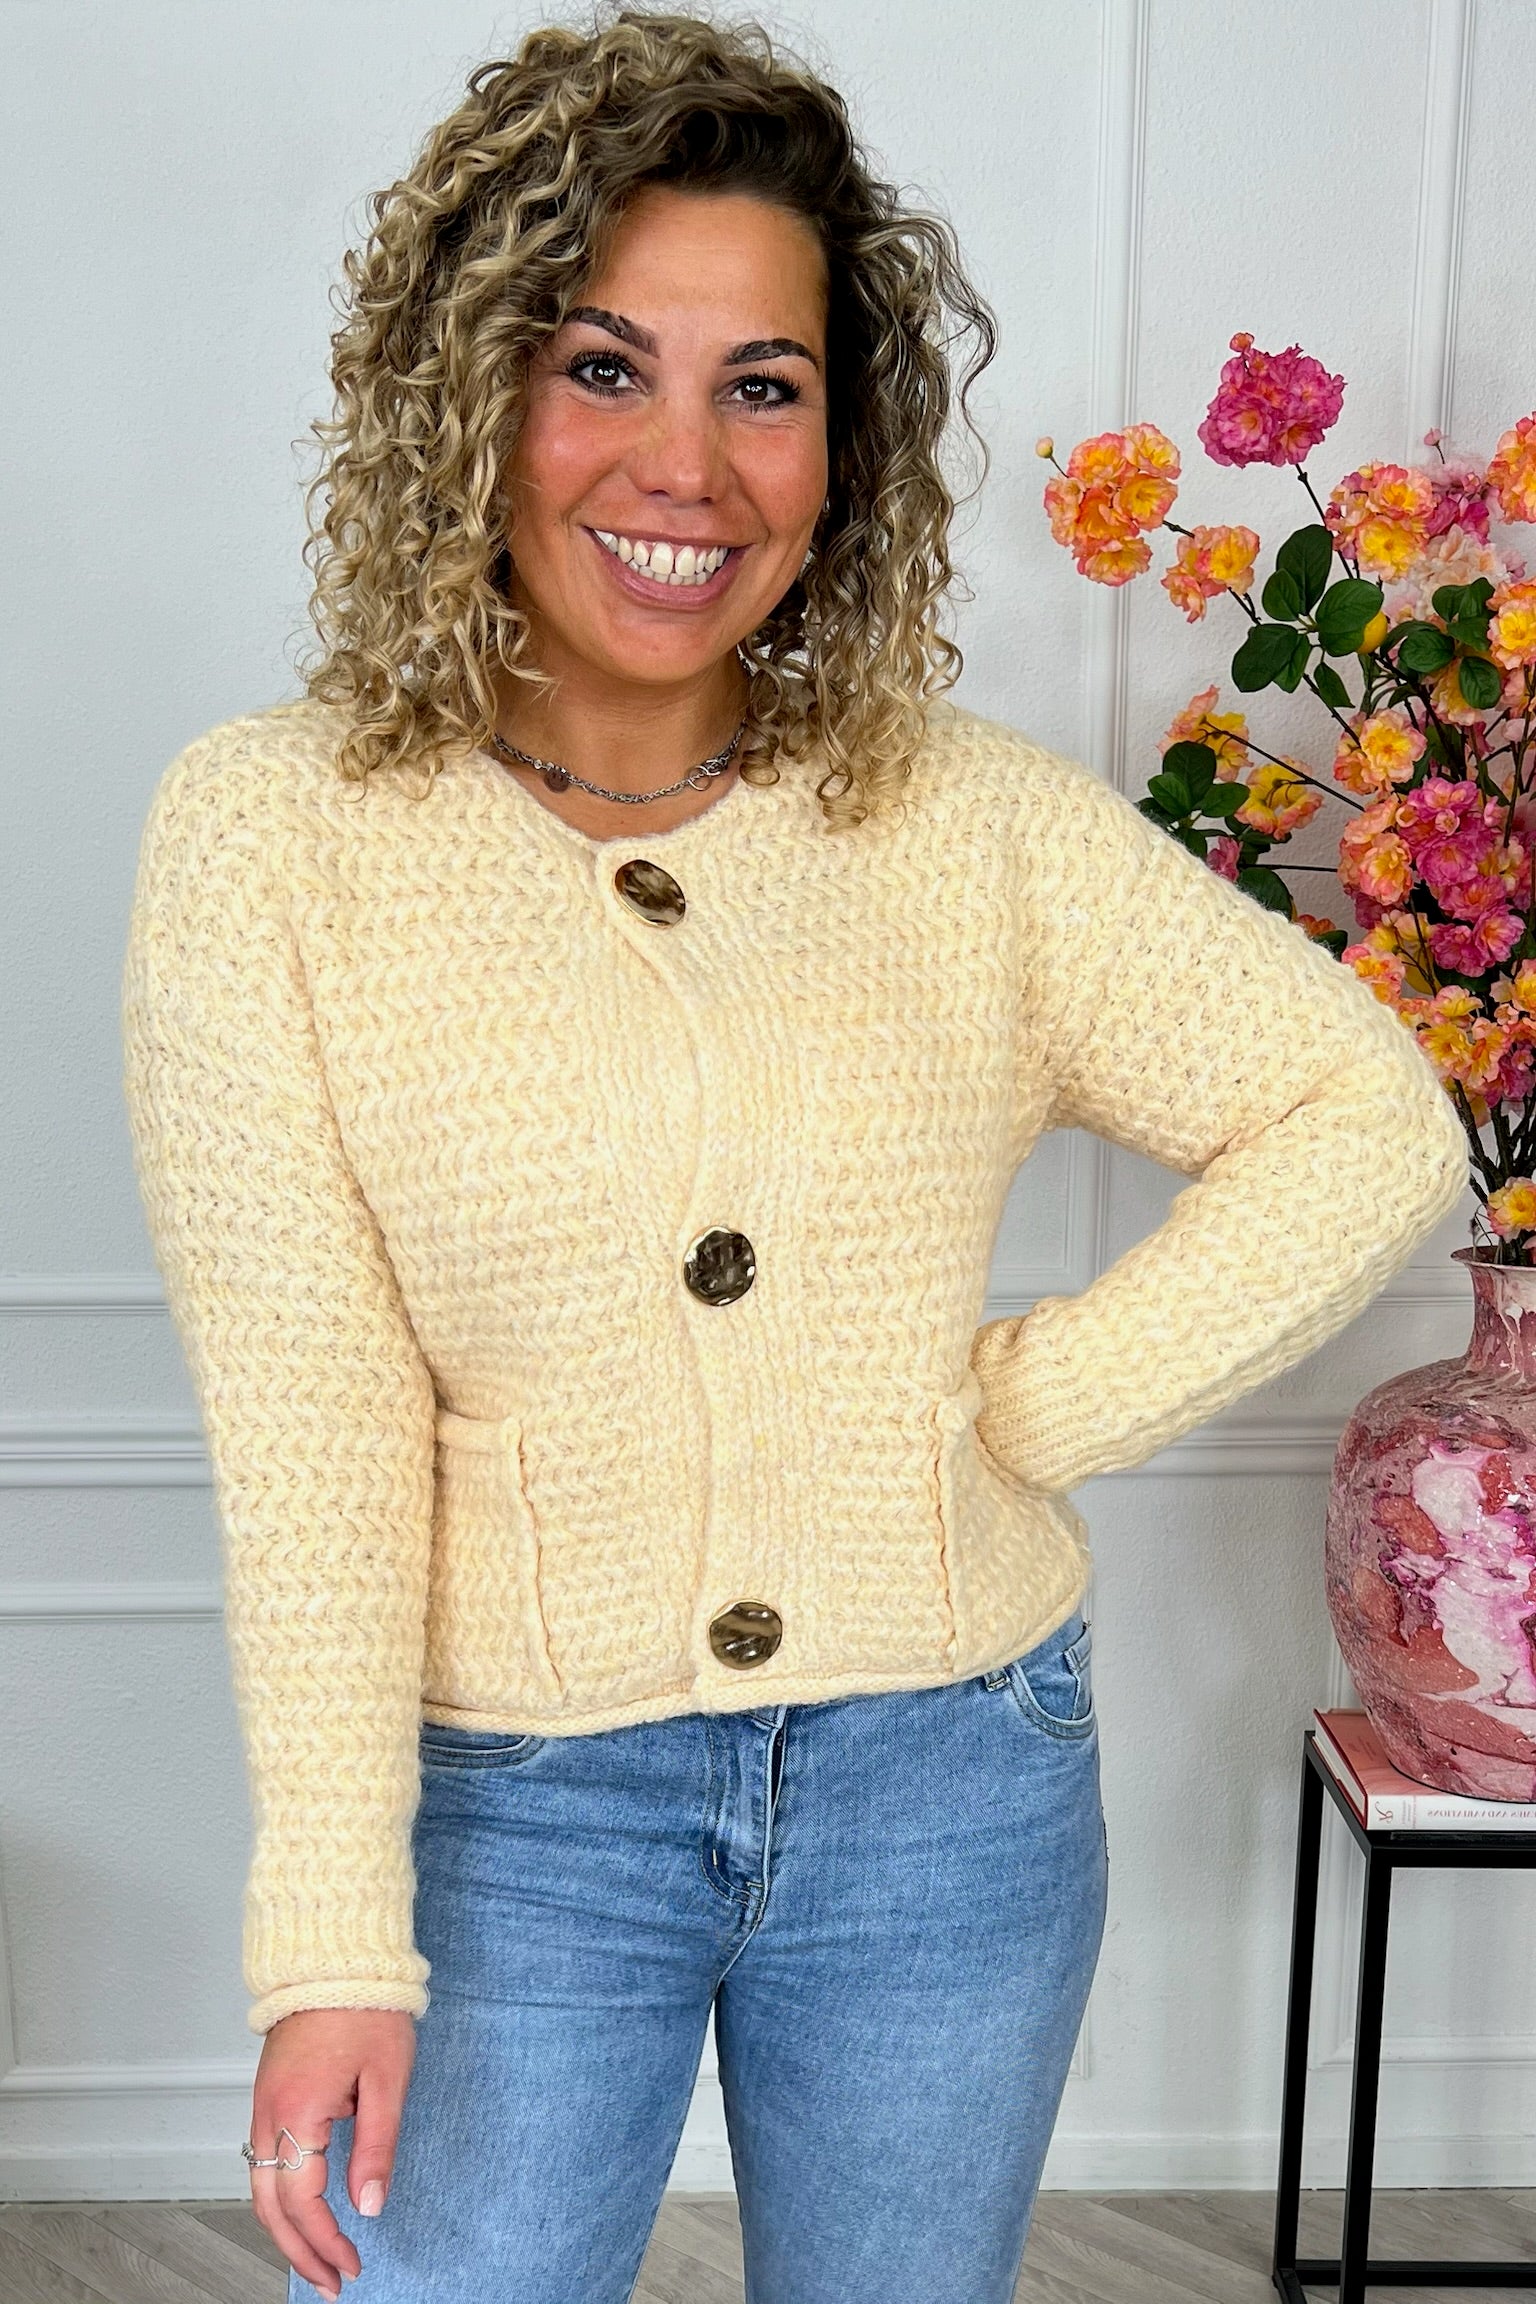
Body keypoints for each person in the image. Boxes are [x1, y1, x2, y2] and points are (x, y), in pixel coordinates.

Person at [119, 12, 1468, 2303]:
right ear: (468, 396)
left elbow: (1369, 1116)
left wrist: (1031, 1410)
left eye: (764, 387)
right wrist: (332, 1934)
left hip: (956, 1777)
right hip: (515, 1814)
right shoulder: (273, 840)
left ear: (843, 452)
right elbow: (311, 1429)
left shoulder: (964, 825)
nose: (689, 463)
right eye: (601, 366)